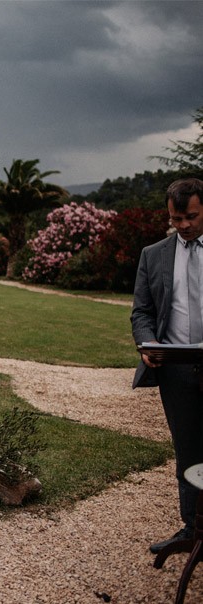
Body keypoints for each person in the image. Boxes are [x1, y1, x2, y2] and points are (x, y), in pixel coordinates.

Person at [132, 177, 203, 554]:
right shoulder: (153, 254)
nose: (184, 225)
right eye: (177, 219)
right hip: (175, 368)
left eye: (190, 216)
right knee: (188, 450)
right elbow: (141, 312)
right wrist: (149, 344)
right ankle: (192, 528)